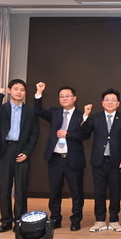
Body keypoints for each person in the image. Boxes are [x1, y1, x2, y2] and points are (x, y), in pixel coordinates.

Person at [0, 79, 39, 232]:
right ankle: (6, 221)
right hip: (4, 152)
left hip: (22, 152)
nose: (19, 92)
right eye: (16, 89)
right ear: (10, 91)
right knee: (5, 188)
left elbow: (35, 134)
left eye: (22, 89)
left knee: (21, 189)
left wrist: (27, 153)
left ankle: (20, 221)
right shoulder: (2, 108)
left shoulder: (30, 111)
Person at [35, 82, 88, 231]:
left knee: (77, 192)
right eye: (61, 96)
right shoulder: (54, 112)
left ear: (74, 98)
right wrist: (39, 93)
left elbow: (85, 135)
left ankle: (76, 220)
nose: (64, 98)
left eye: (67, 96)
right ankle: (55, 219)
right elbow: (38, 111)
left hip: (73, 159)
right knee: (54, 191)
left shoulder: (82, 115)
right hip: (55, 159)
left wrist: (67, 134)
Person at [81, 88, 121, 232]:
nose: (110, 102)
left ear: (118, 103)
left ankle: (114, 220)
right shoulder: (95, 118)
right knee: (99, 192)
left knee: (115, 192)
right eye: (107, 100)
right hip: (99, 160)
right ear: (102, 103)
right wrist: (85, 116)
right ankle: (100, 220)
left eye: (113, 100)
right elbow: (84, 134)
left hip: (117, 161)